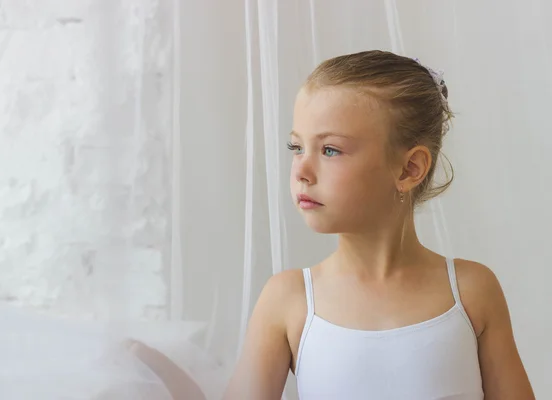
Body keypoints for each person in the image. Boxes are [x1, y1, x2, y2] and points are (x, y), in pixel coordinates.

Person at [224, 50, 535, 399]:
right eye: (296, 147)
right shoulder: (288, 300)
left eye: (329, 150)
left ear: (409, 169)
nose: (301, 171)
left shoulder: (471, 293)